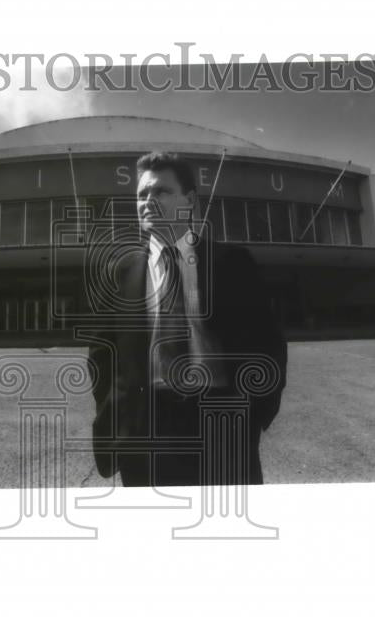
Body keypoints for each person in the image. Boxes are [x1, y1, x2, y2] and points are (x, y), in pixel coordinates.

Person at [85, 151, 287, 487]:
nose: (148, 201)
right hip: (144, 434)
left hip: (221, 427)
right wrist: (117, 418)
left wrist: (254, 417)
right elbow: (101, 355)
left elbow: (268, 346)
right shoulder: (120, 272)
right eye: (141, 195)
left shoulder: (232, 264)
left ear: (189, 200)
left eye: (161, 191)